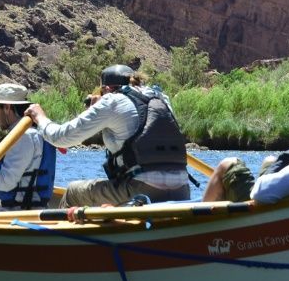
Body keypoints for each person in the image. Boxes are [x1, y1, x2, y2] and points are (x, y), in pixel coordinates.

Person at [25, 64, 190, 207]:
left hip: (141, 190)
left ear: (106, 89)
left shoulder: (112, 100)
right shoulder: (161, 98)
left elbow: (61, 138)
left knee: (73, 192)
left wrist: (39, 117)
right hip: (182, 190)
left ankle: (62, 235)